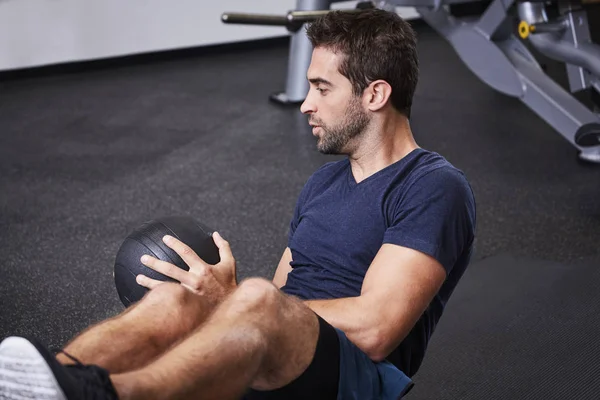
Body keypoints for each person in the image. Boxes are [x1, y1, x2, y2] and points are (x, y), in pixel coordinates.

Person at [0, 8, 476, 400]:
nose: (306, 103)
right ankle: (48, 382)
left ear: (375, 94)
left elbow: (377, 329)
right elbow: (279, 302)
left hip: (357, 381)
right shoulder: (324, 183)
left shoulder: (432, 186)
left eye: (322, 87)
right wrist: (214, 303)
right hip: (289, 351)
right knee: (172, 298)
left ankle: (104, 397)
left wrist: (236, 301)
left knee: (254, 297)